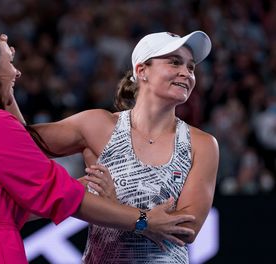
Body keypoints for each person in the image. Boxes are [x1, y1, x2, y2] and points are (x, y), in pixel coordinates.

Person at [0, 17, 197, 264]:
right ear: (141, 70)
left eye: (191, 66)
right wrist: (143, 220)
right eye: (10, 62)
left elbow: (15, 192)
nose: (17, 72)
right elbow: (54, 187)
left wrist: (5, 92)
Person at [30, 31, 219, 263]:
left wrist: (113, 207)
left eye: (191, 67)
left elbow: (188, 228)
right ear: (142, 71)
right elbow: (19, 141)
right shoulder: (97, 125)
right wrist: (6, 92)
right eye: (175, 62)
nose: (186, 73)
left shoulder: (202, 144)